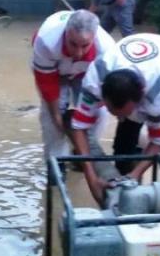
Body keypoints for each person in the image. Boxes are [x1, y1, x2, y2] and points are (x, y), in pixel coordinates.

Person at [70, 33, 160, 206]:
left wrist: (135, 174)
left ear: (140, 101)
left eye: (123, 113)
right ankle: (122, 198)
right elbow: (78, 127)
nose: (119, 118)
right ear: (103, 93)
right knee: (123, 144)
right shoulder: (95, 78)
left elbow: (159, 141)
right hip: (139, 58)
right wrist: (92, 180)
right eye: (113, 113)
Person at [31, 10, 115, 165]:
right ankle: (56, 164)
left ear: (94, 38)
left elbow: (101, 95)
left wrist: (84, 120)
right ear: (66, 33)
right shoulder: (46, 41)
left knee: (100, 114)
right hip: (54, 71)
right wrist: (57, 117)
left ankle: (82, 154)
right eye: (73, 44)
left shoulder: (107, 50)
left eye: (85, 45)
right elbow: (47, 85)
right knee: (51, 120)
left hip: (86, 72)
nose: (78, 52)